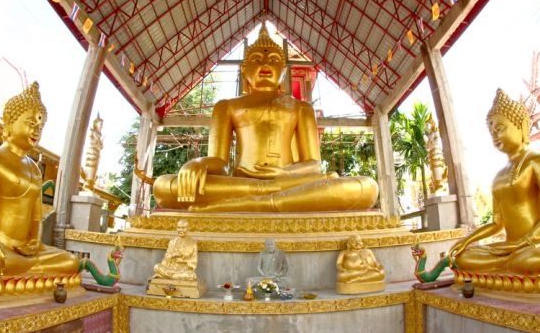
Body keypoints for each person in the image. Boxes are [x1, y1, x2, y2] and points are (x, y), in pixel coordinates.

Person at [152, 24, 379, 212]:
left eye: (272, 60)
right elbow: (220, 164)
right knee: (164, 187)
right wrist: (198, 163)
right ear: (244, 71)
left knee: (366, 187)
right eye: (257, 60)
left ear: (283, 70)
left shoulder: (301, 108)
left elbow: (313, 164)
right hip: (243, 183)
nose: (265, 64)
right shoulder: (227, 106)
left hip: (288, 181)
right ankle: (271, 200)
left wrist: (284, 174)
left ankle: (251, 204)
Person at [0, 82, 80, 278]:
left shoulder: (35, 169)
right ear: (10, 121)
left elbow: (36, 217)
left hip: (26, 251)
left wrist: (35, 241)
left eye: (41, 125)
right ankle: (27, 270)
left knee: (71, 261)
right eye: (31, 122)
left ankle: (25, 267)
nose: (37, 129)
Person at [448, 88, 540, 276]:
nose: (494, 135)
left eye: (500, 128)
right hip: (510, 247)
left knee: (537, 259)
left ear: (522, 125)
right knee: (463, 257)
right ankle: (509, 268)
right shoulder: (499, 176)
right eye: (491, 131)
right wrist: (467, 241)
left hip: (536, 245)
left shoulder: (538, 159)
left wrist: (525, 241)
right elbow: (497, 224)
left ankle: (509, 268)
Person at [82, 113, 104, 192]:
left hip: (97, 154)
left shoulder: (99, 135)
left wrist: (101, 143)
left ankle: (91, 185)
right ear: (96, 124)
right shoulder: (92, 132)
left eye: (102, 124)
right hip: (92, 153)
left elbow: (101, 147)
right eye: (100, 124)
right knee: (90, 169)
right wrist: (97, 142)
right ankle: (87, 185)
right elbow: (91, 142)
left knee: (95, 170)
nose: (102, 126)